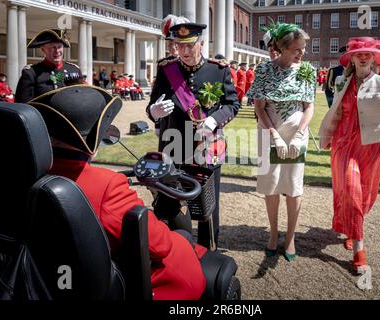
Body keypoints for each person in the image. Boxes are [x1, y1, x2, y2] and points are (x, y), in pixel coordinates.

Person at [28, 85, 207, 300]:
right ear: (94, 142)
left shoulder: (23, 174)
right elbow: (159, 245)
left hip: (45, 276)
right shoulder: (108, 185)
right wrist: (183, 239)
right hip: (102, 283)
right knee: (181, 242)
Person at [319, 37, 380, 273]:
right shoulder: (341, 80)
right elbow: (334, 108)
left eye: (367, 52)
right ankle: (359, 247)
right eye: (358, 52)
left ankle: (352, 226)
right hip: (343, 143)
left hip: (369, 145)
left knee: (365, 194)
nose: (363, 56)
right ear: (351, 57)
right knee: (350, 188)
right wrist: (327, 135)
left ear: (374, 57)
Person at [146, 22, 240, 248]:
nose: (184, 51)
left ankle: (209, 249)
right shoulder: (166, 70)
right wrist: (153, 112)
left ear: (201, 43)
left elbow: (232, 104)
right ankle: (172, 248)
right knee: (169, 198)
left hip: (206, 145)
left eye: (189, 45)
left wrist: (214, 120)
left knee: (207, 203)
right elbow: (152, 106)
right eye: (180, 46)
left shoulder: (218, 70)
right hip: (173, 145)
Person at [247, 22, 315, 262]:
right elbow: (259, 106)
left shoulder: (306, 70)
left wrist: (297, 134)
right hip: (269, 134)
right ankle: (274, 233)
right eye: (297, 49)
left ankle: (291, 236)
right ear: (283, 47)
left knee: (294, 185)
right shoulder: (265, 70)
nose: (301, 53)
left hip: (296, 135)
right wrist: (274, 135)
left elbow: (309, 107)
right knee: (272, 183)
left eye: (303, 48)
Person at [15, 29, 82, 103]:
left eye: (59, 47)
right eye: (52, 47)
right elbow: (23, 105)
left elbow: (81, 98)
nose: (57, 51)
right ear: (43, 49)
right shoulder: (31, 73)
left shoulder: (74, 70)